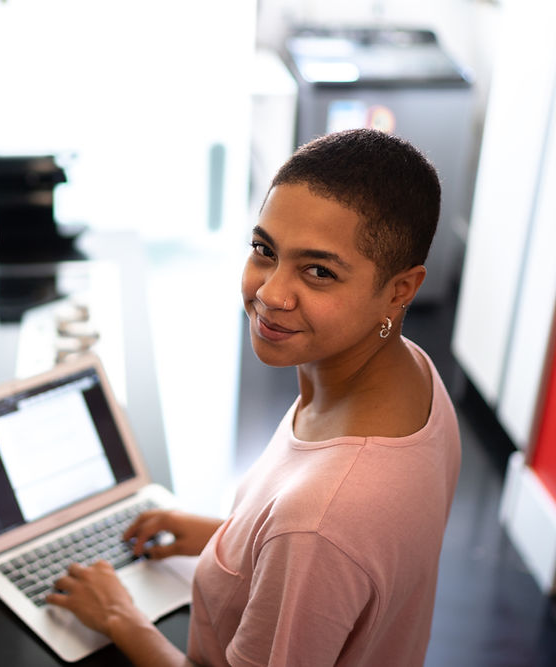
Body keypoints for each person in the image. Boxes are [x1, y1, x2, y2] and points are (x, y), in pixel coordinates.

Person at [46, 128, 462, 666]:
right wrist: (230, 540)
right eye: (265, 250)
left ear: (400, 290)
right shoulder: (412, 373)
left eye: (319, 271)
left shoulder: (316, 524)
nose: (270, 293)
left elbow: (321, 534)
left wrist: (120, 617)